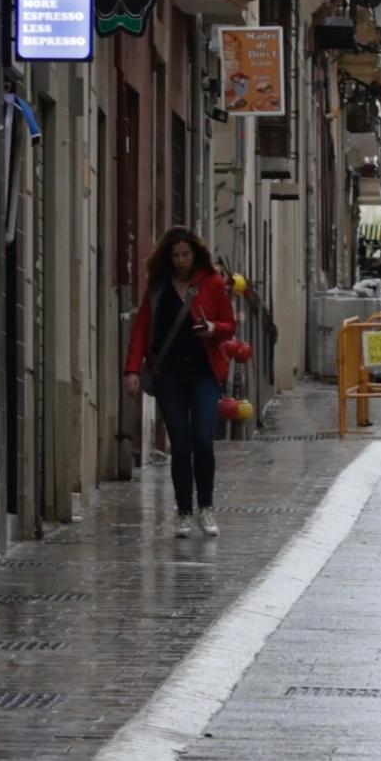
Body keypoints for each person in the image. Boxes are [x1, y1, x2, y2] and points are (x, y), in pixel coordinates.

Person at [125, 228, 246, 534]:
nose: (181, 261)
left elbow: (229, 326)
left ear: (195, 255)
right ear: (168, 257)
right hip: (169, 374)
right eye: (175, 255)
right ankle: (183, 512)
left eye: (185, 254)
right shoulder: (157, 288)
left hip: (204, 372)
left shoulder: (213, 284)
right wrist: (131, 370)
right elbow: (141, 329)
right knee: (180, 444)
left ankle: (205, 508)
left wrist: (213, 328)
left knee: (203, 440)